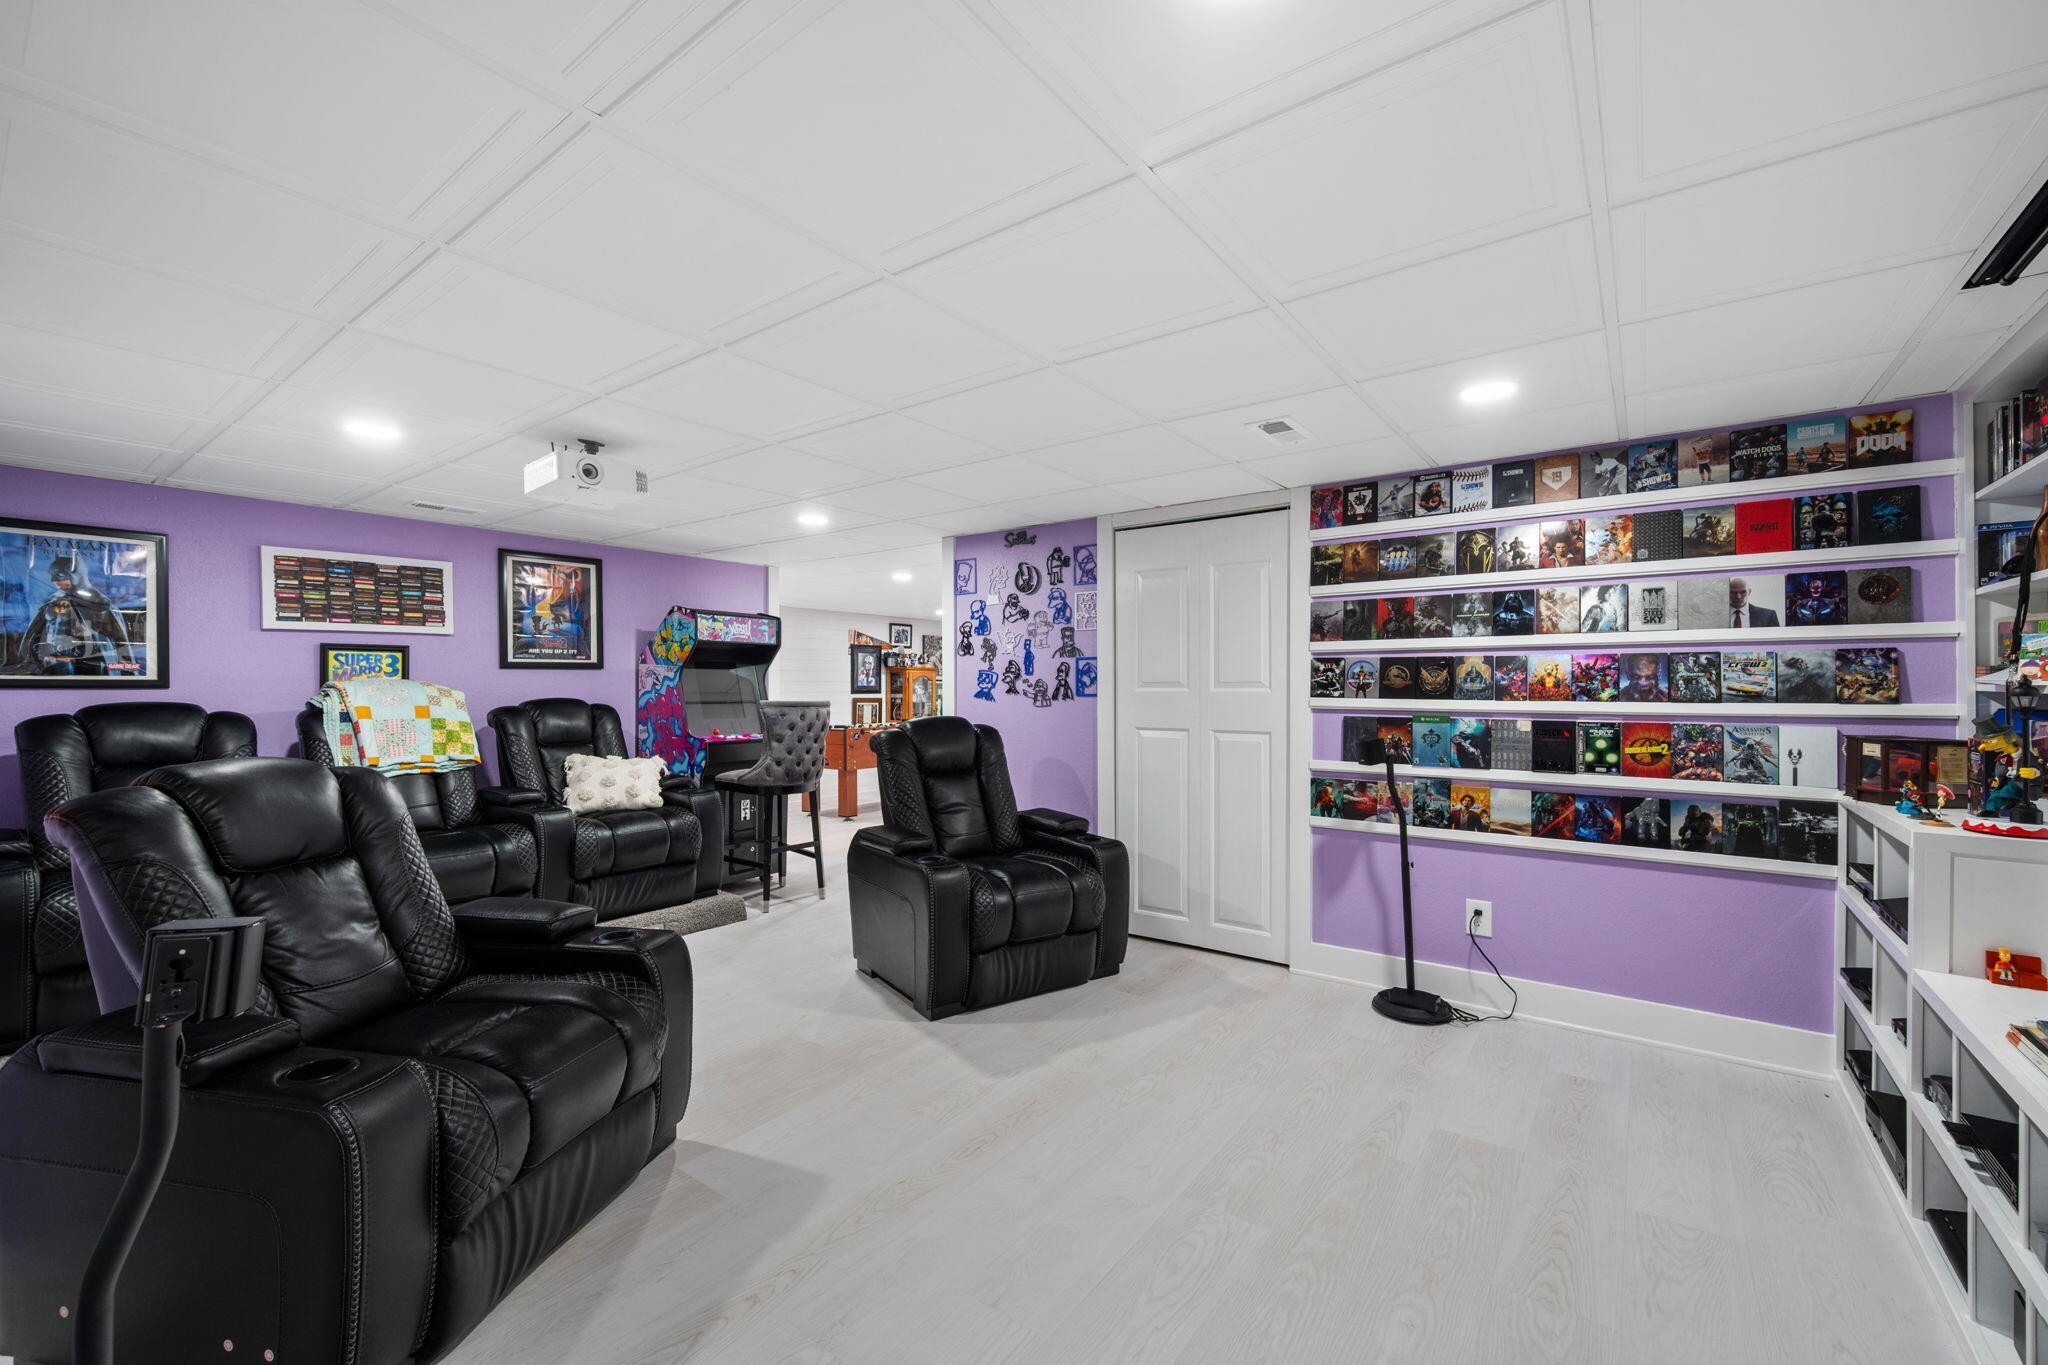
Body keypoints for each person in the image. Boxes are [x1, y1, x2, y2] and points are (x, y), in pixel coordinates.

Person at [11, 555, 140, 676]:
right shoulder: (52, 602)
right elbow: (33, 635)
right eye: (53, 576)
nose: (55, 581)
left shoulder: (100, 604)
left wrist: (129, 672)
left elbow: (120, 641)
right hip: (54, 666)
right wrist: (37, 658)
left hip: (92, 668)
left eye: (60, 576)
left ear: (76, 575)